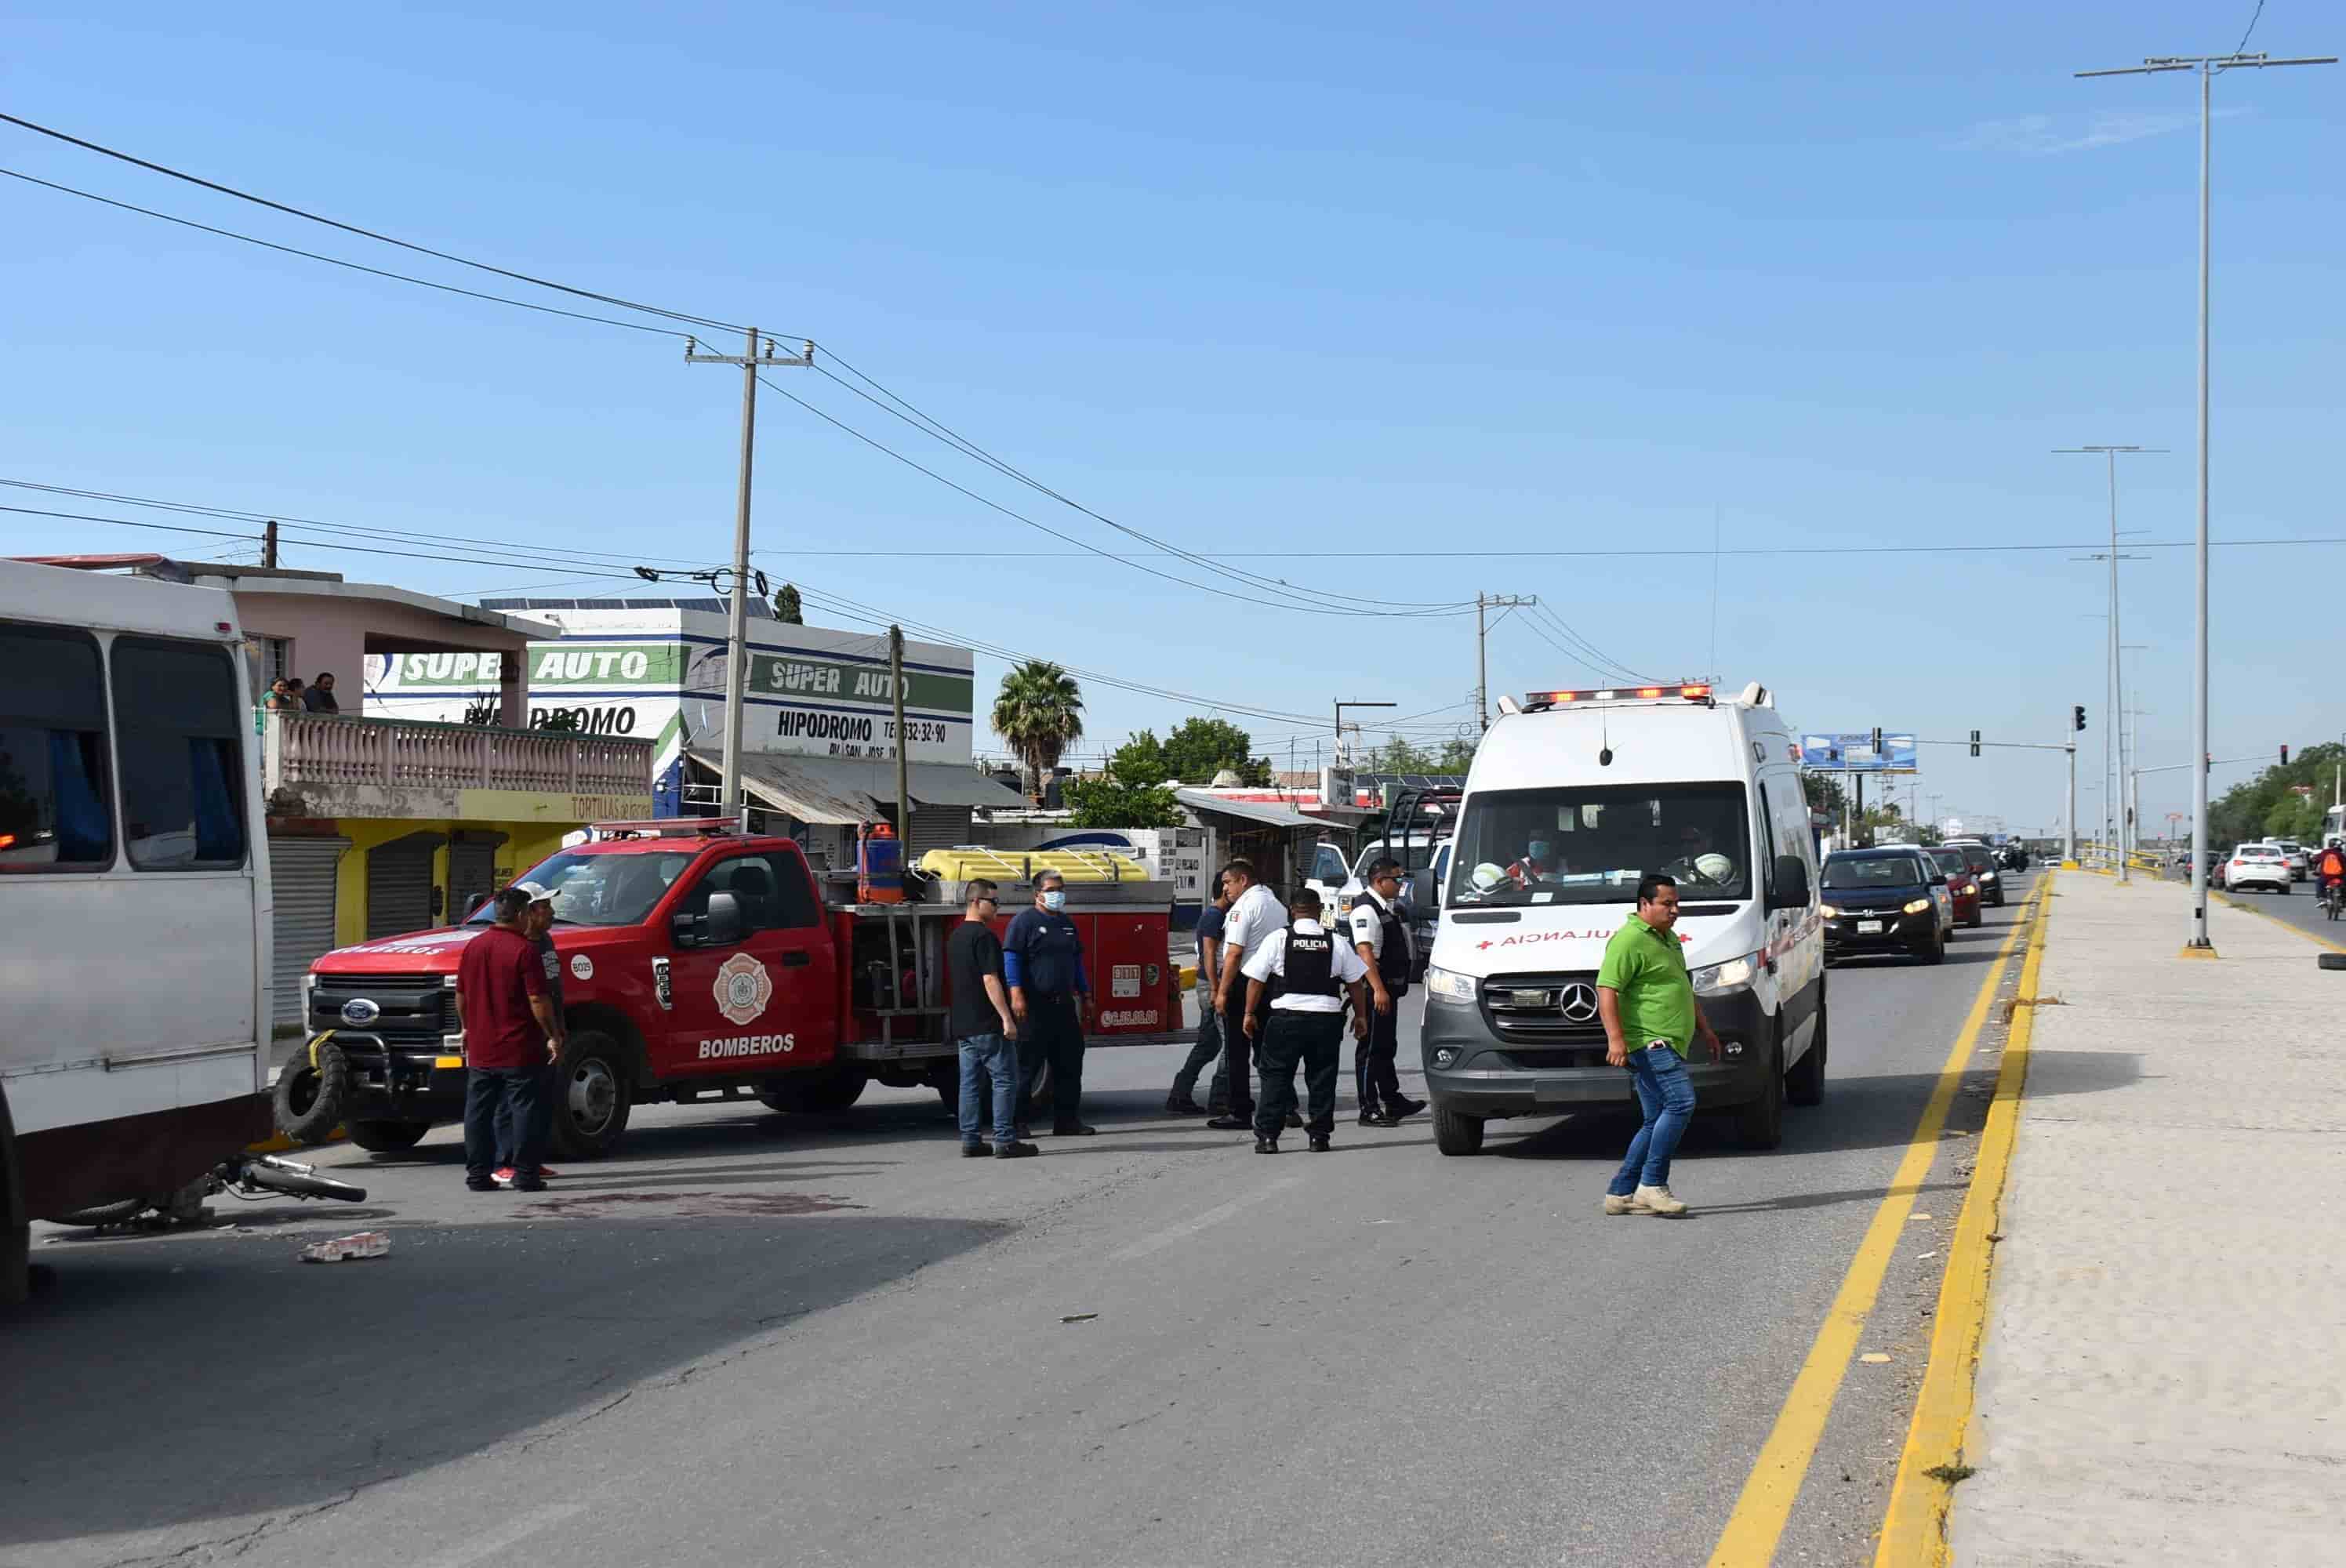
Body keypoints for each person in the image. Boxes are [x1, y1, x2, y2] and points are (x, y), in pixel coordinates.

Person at [1596, 873, 1723, 1218]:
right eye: (1667, 904)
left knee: (1655, 1118)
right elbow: (1606, 989)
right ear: (1644, 905)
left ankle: (1621, 1193)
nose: (1675, 910)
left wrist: (1706, 1030)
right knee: (1681, 1103)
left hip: (1669, 1039)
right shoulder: (1629, 940)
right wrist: (1616, 1039)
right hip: (1650, 1040)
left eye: (1676, 903)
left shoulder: (1668, 939)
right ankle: (1653, 1185)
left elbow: (1682, 985)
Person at [1240, 887, 1370, 1152]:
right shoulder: (1335, 942)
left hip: (1285, 1019)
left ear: (1291, 910)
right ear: (1320, 911)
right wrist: (1361, 1016)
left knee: (1275, 1077)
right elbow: (1356, 983)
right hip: (1325, 1020)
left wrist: (1249, 1013)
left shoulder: (1278, 939)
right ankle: (1319, 1137)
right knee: (1322, 1078)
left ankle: (1268, 1138)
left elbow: (1256, 980)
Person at [453, 886, 560, 1192]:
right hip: (519, 1048)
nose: (529, 918)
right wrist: (552, 1034)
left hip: (482, 1049)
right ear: (518, 914)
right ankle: (525, 1174)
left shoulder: (473, 947)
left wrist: (467, 1028)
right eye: (528, 912)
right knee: (525, 1109)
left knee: (478, 1113)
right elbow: (538, 999)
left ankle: (478, 1176)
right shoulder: (524, 950)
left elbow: (460, 995)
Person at [947, 879, 1036, 1159]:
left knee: (970, 1084)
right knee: (1004, 1080)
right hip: (987, 1023)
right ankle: (1005, 1140)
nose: (998, 907)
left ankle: (971, 1140)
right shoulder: (984, 937)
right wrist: (1007, 1019)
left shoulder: (956, 936)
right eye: (993, 902)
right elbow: (990, 979)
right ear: (976, 902)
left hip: (963, 1024)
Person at [1004, 870, 1095, 1137]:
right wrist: (1016, 994)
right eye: (1052, 889)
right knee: (1027, 1066)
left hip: (1064, 1005)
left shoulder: (1066, 924)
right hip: (1034, 1006)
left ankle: (1067, 1121)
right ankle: (1016, 1123)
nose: (1058, 894)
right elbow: (1012, 958)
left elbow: (1077, 961)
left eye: (1061, 889)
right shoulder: (1025, 922)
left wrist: (1086, 994)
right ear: (1038, 894)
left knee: (1070, 1063)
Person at [1206, 859, 1287, 1132]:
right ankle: (1284, 1107)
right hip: (1272, 983)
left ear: (1243, 880)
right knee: (1269, 1050)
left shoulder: (1243, 907)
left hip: (1245, 984)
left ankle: (1239, 1110)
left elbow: (1234, 954)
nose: (1225, 888)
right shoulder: (1276, 904)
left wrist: (1222, 992)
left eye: (1228, 882)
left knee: (1237, 1052)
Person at [494, 882, 567, 1187]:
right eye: (545, 906)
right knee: (511, 1102)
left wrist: (558, 1027)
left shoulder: (545, 942)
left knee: (540, 1099)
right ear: (528, 911)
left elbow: (552, 988)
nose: (551, 912)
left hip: (548, 1030)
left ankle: (531, 1160)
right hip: (521, 1034)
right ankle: (506, 1162)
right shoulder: (517, 947)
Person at [1346, 858, 1426, 1127]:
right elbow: (1364, 952)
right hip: (1374, 990)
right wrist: (1379, 989)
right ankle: (1368, 1108)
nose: (1401, 885)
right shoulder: (1366, 911)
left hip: (1388, 989)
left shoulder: (1385, 908)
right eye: (1397, 879)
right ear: (1380, 881)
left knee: (1385, 1047)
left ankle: (1392, 1100)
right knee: (1370, 1050)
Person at [1165, 881, 1231, 1116]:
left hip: (1210, 985)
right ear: (1225, 890)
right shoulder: (1215, 916)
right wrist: (1217, 989)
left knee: (1209, 1044)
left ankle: (1180, 1094)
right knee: (1229, 1044)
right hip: (1212, 986)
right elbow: (1210, 954)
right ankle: (1219, 1098)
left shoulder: (1217, 915)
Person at [2319, 841, 2346, 906]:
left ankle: (2322, 898)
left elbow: (2316, 859)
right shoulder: (2340, 854)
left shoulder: (2324, 852)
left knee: (2319, 883)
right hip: (2339, 875)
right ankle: (2344, 900)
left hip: (2326, 876)